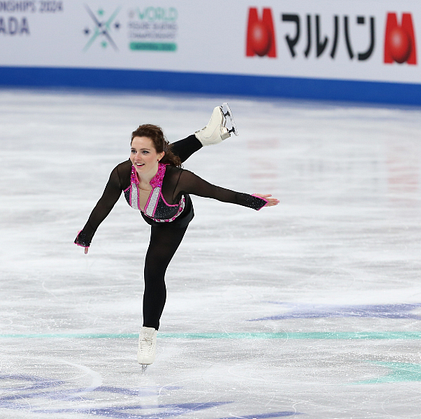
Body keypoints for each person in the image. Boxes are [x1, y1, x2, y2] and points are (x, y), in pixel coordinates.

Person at [74, 104, 279, 367]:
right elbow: (105, 203)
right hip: (151, 209)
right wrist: (87, 234)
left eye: (144, 151)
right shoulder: (123, 172)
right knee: (166, 159)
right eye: (133, 150)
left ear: (157, 153)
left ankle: (148, 334)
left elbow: (218, 192)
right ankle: (205, 137)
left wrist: (254, 201)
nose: (136, 157)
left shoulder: (179, 180)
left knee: (153, 273)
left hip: (173, 220)